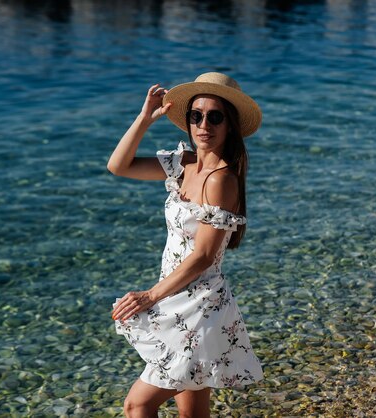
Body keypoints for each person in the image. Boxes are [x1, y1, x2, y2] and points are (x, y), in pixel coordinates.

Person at [107, 72, 263, 418]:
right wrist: (144, 119)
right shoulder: (182, 165)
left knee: (137, 405)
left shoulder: (222, 179)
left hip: (197, 307)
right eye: (197, 115)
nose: (204, 124)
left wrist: (149, 296)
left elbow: (205, 255)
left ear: (230, 125)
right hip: (178, 299)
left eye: (215, 116)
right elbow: (119, 166)